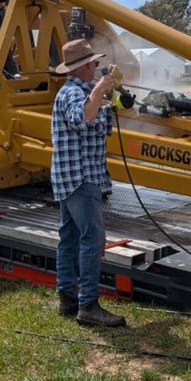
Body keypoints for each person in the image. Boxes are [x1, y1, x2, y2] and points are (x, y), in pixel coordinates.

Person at [51, 38, 126, 327]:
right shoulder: (73, 93)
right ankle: (89, 307)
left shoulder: (80, 91)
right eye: (93, 64)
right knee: (93, 239)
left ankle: (68, 298)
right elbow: (83, 116)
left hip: (72, 178)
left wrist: (116, 96)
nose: (96, 67)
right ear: (82, 67)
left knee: (69, 238)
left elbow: (99, 120)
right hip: (81, 178)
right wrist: (101, 87)